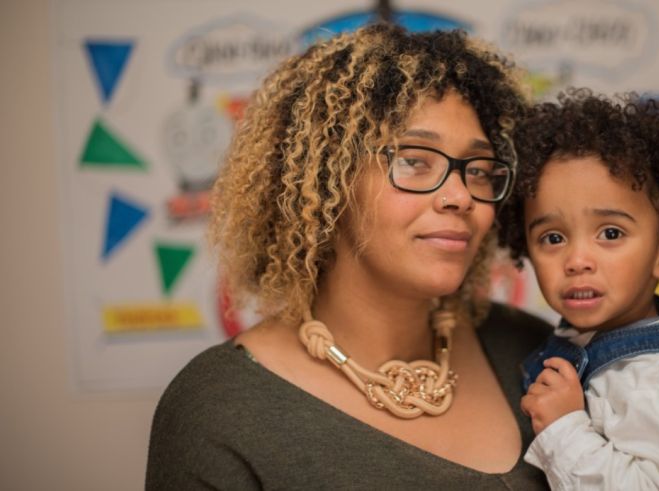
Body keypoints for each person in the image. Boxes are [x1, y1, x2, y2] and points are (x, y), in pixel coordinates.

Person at [146, 24, 553, 489]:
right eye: (415, 161)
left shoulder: (532, 351)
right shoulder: (218, 409)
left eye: (478, 170)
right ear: (326, 183)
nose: (461, 196)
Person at [498, 89, 659, 490]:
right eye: (553, 238)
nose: (576, 259)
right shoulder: (578, 343)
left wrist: (564, 429)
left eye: (610, 232)